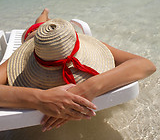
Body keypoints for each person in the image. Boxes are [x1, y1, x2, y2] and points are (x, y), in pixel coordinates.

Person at [0, 10, 156, 133]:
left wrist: (88, 88)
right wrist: (40, 99)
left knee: (47, 25)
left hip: (56, 36)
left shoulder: (76, 43)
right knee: (39, 24)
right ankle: (44, 12)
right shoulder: (22, 56)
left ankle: (46, 14)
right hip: (33, 37)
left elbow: (146, 65)